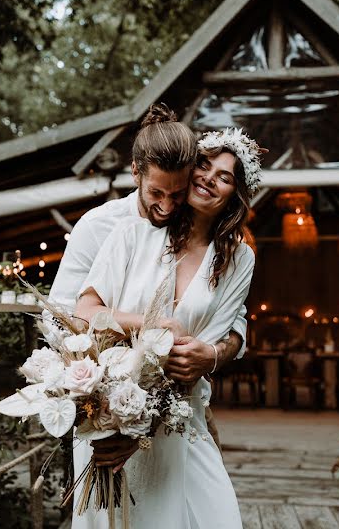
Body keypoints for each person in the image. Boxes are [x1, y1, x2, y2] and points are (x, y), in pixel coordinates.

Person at [71, 126, 262, 528]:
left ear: (235, 194)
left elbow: (207, 346)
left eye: (225, 176)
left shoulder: (238, 258)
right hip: (110, 413)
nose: (209, 178)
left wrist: (141, 423)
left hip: (178, 417)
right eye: (205, 165)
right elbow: (83, 310)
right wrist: (153, 325)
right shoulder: (133, 234)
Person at [47, 103, 246, 467]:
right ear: (136, 172)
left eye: (177, 192)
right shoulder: (101, 227)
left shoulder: (188, 229)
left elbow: (232, 320)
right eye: (157, 193)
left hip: (179, 406)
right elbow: (62, 319)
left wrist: (212, 355)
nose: (168, 206)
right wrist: (112, 392)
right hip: (104, 401)